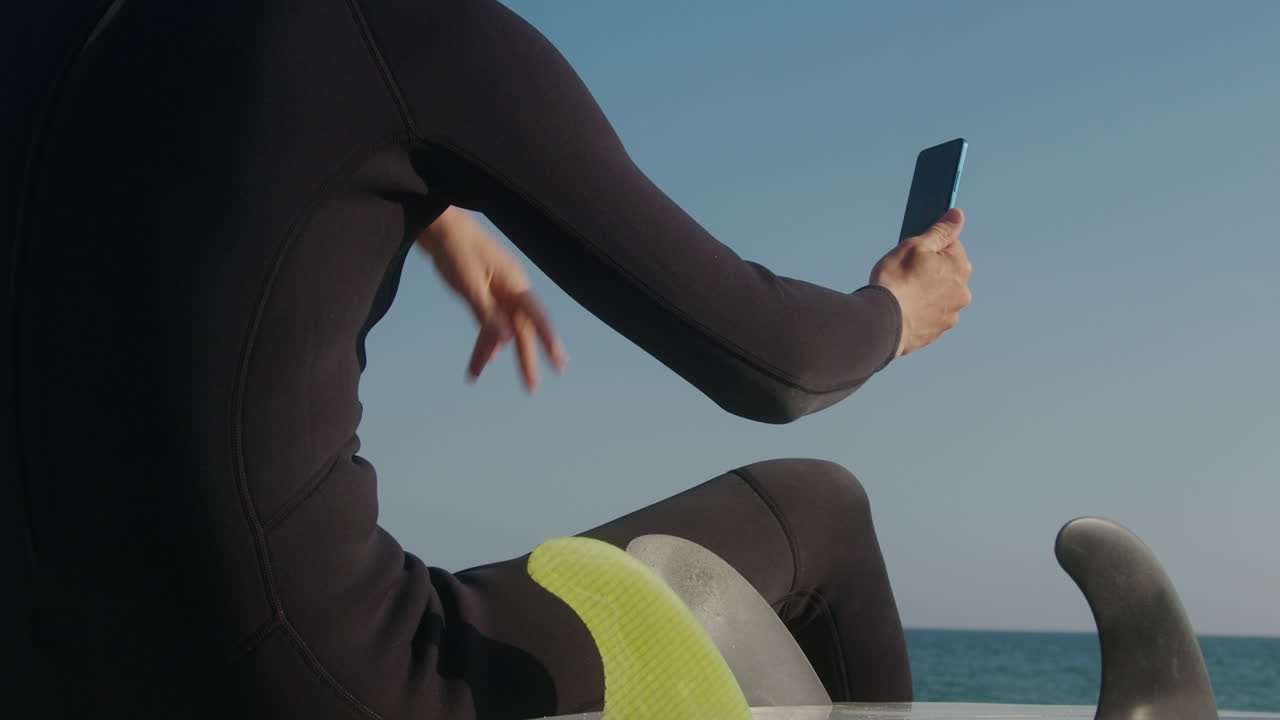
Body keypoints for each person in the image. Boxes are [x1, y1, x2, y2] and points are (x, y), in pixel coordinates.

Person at [1, 0, 971, 718]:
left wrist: (429, 210)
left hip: (48, 673)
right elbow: (774, 362)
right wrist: (895, 307)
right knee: (819, 508)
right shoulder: (408, 32)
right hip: (303, 679)